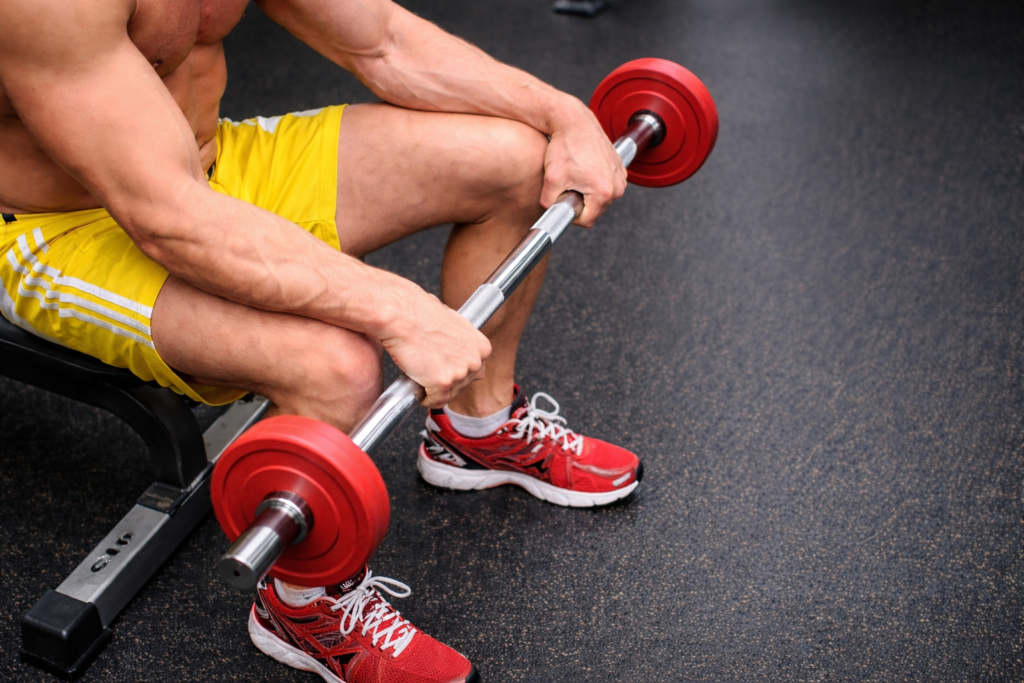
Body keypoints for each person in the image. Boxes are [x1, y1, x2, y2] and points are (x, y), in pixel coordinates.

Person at [0, 1, 643, 681]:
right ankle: (302, 606)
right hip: (66, 228)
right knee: (336, 366)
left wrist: (563, 112)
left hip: (214, 168)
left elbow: (384, 42)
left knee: (517, 158)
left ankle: (475, 427)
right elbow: (165, 217)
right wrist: (396, 306)